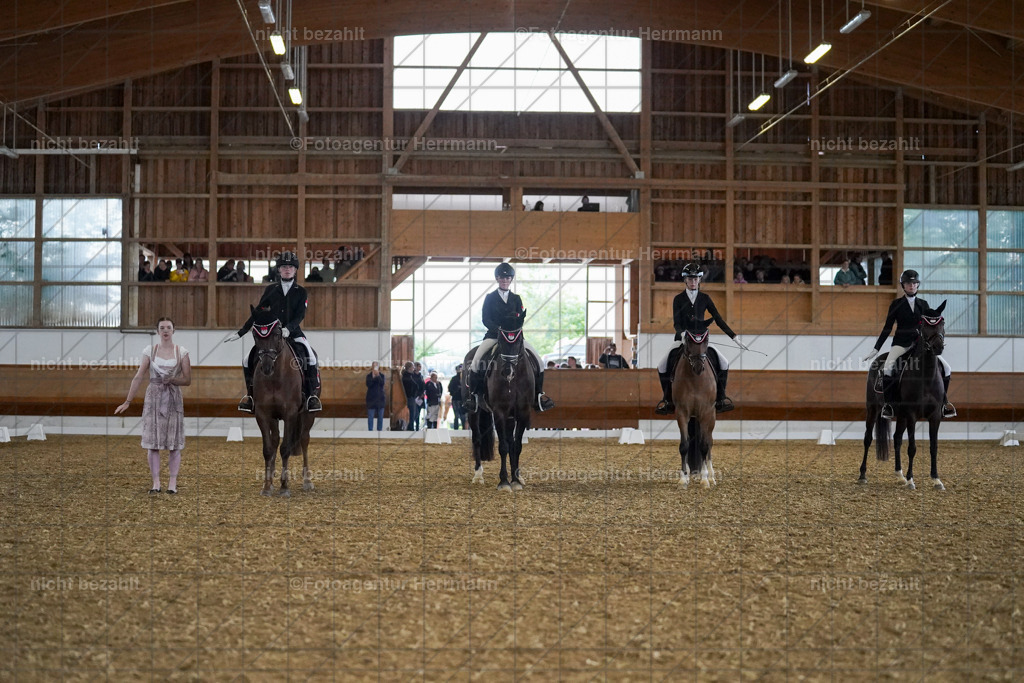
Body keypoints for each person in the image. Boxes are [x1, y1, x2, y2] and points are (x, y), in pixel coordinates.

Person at [223, 251, 322, 412]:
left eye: (290, 267)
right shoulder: (270, 290)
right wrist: (242, 332)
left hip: (293, 333)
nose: (287, 269)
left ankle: (311, 396)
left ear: (295, 270)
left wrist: (288, 329)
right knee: (247, 360)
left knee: (310, 357)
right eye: (284, 267)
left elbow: (300, 315)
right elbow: (258, 312)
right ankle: (250, 396)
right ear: (279, 270)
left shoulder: (301, 291)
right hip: (270, 335)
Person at [655, 262, 749, 415]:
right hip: (684, 339)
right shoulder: (678, 299)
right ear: (685, 280)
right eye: (690, 279)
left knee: (724, 363)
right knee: (661, 365)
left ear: (699, 280)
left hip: (702, 339)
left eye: (696, 279)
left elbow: (718, 319)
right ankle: (667, 399)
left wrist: (735, 337)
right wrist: (683, 332)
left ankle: (721, 398)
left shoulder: (705, 298)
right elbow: (676, 322)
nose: (693, 282)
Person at [863, 269, 956, 419]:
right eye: (908, 283)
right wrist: (876, 349)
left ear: (918, 285)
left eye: (914, 283)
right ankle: (889, 405)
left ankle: (944, 404)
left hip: (920, 345)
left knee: (947, 368)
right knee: (887, 368)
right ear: (903, 286)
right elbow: (887, 327)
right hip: (900, 344)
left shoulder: (924, 304)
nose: (911, 286)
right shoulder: (896, 304)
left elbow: (931, 324)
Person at [463, 263, 555, 413]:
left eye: (507, 277)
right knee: (475, 362)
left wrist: (513, 329)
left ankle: (538, 396)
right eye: (502, 277)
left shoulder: (516, 299)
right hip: (494, 337)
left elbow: (520, 319)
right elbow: (486, 319)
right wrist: (498, 330)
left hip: (515, 337)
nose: (504, 280)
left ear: (511, 279)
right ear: (497, 279)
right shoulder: (490, 298)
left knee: (539, 362)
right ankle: (473, 397)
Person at [115, 317, 191, 494]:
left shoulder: (182, 352)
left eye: (169, 328)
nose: (165, 331)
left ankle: (172, 484)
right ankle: (156, 483)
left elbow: (187, 380)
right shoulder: (150, 351)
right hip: (153, 397)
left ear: (173, 331)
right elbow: (139, 376)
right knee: (153, 444)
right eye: (162, 328)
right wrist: (128, 400)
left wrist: (172, 379)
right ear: (157, 331)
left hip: (173, 397)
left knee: (174, 444)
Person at [401, 362, 422, 430]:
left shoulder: (411, 375)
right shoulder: (406, 376)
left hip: (412, 396)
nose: (414, 368)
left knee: (415, 413)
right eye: (413, 367)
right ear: (409, 368)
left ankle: (410, 426)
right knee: (412, 413)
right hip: (409, 396)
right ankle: (410, 427)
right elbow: (410, 386)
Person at [365, 361, 386, 431]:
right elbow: (369, 384)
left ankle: (379, 431)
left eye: (376, 366)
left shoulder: (382, 376)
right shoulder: (368, 376)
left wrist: (378, 376)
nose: (375, 367)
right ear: (372, 367)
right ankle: (370, 431)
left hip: (380, 399)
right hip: (371, 399)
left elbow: (382, 383)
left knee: (380, 417)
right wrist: (374, 377)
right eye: (374, 366)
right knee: (370, 416)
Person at [447, 364, 465, 430]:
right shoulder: (454, 379)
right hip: (456, 399)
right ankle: (456, 429)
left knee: (463, 416)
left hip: (462, 399)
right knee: (457, 415)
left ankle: (463, 429)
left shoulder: (465, 379)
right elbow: (450, 388)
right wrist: (456, 391)